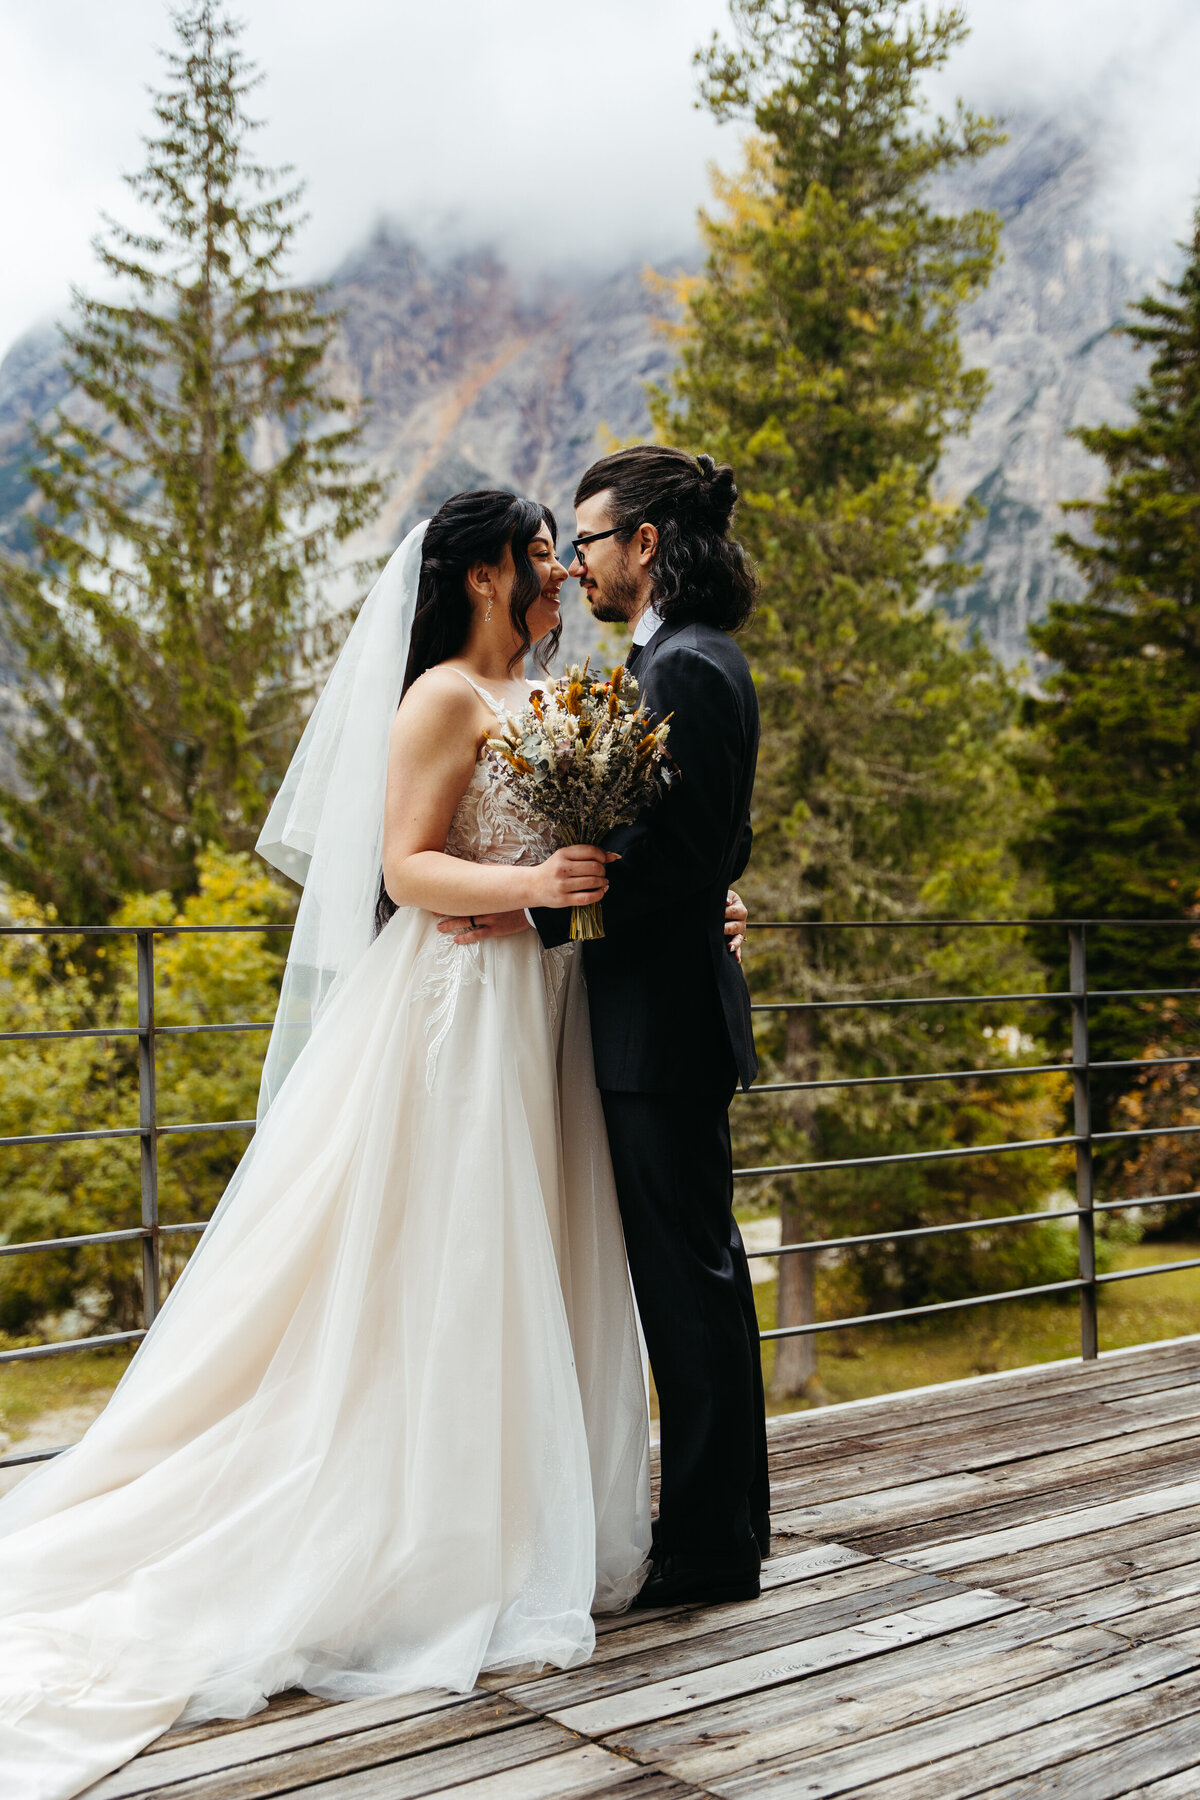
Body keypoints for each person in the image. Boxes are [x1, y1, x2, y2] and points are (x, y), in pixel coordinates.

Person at [0, 492, 665, 1800]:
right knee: (450, 1264)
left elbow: (576, 857)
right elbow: (409, 868)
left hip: (539, 1011)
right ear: (483, 575)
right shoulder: (438, 700)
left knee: (526, 1253)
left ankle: (515, 1509)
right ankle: (428, 1530)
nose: (553, 582)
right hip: (456, 1019)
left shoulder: (545, 697)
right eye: (538, 561)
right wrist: (531, 886)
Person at [446, 448, 769, 1609]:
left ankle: (709, 1549)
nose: (575, 565)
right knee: (702, 1276)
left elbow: (671, 859)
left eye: (587, 542)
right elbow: (700, 854)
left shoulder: (680, 666)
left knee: (685, 1283)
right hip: (662, 1014)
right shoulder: (685, 659)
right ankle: (728, 1524)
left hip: (659, 1029)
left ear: (645, 545)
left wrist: (538, 918)